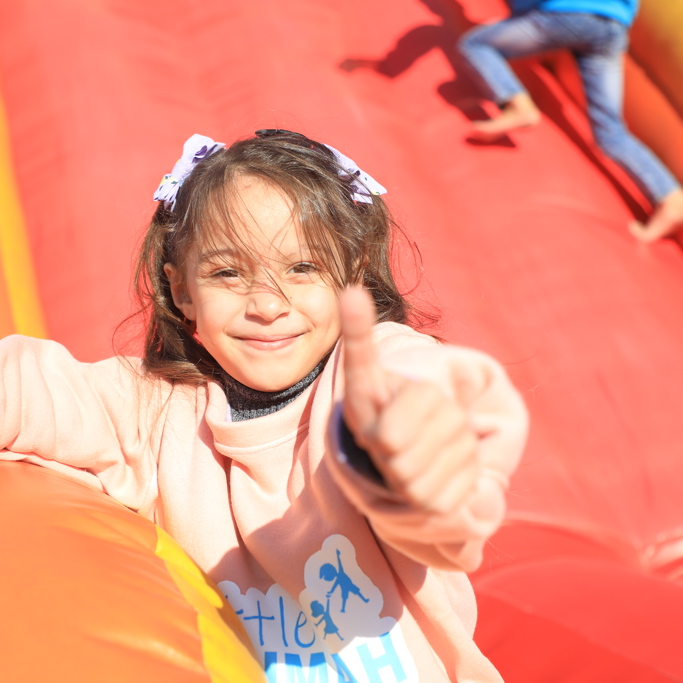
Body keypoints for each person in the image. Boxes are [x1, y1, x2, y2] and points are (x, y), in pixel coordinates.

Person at [0, 131, 527, 682]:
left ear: (352, 276)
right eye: (228, 273)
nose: (268, 306)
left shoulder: (363, 373)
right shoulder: (151, 410)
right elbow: (30, 389)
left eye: (303, 268)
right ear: (182, 291)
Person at [457, 0, 683, 243]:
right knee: (610, 132)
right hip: (612, 27)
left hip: (570, 14)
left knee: (476, 44)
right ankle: (670, 197)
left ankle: (517, 104)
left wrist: (517, 17)